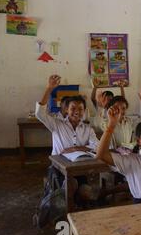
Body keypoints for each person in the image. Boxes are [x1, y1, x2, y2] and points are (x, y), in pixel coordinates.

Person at [36, 75, 99, 205]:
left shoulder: (87, 129)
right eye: (73, 108)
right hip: (58, 168)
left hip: (79, 169)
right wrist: (49, 89)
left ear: (84, 111)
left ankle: (75, 207)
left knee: (85, 191)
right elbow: (40, 113)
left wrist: (76, 148)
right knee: (71, 185)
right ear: (66, 110)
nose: (77, 112)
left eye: (80, 109)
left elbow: (96, 145)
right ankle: (63, 209)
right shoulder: (57, 125)